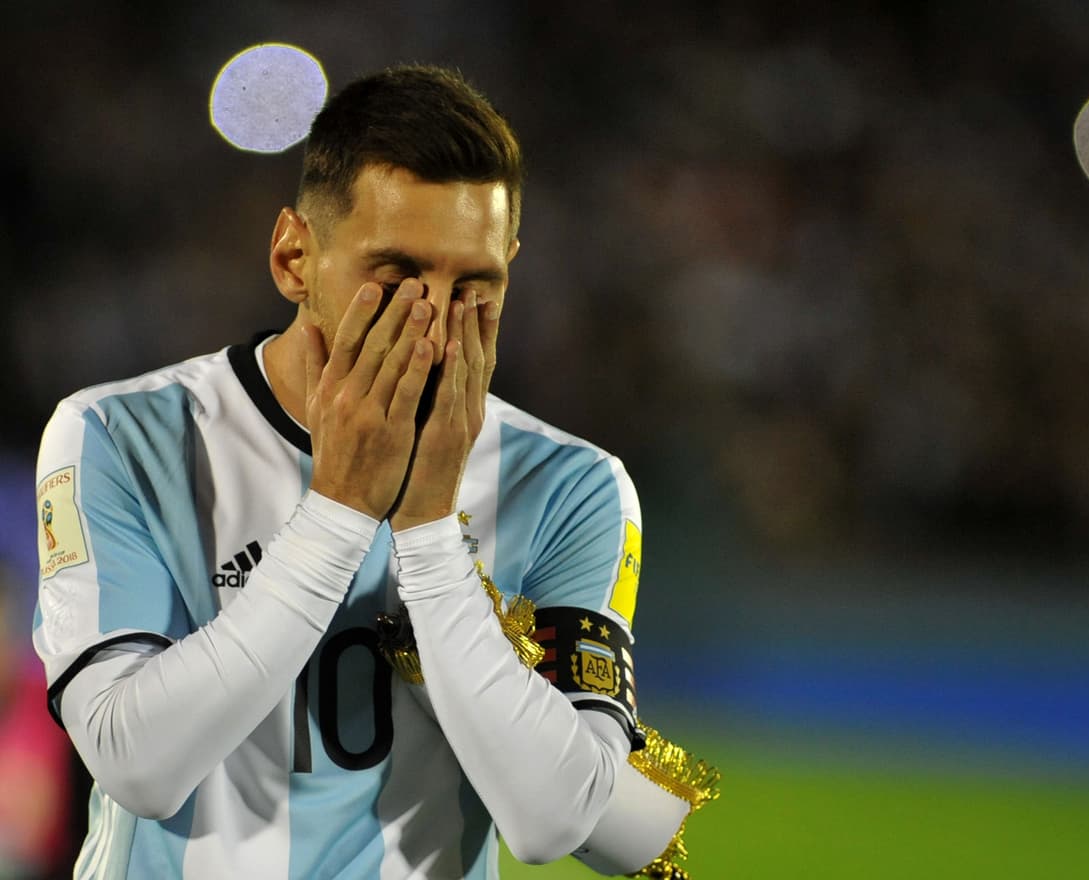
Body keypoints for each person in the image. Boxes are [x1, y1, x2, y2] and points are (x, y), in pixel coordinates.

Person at [33, 65, 714, 879]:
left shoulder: (571, 486)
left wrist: (428, 533)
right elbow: (134, 763)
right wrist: (341, 508)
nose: (432, 325)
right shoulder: (120, 435)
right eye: (395, 280)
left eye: (474, 287)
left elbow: (558, 820)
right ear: (294, 258)